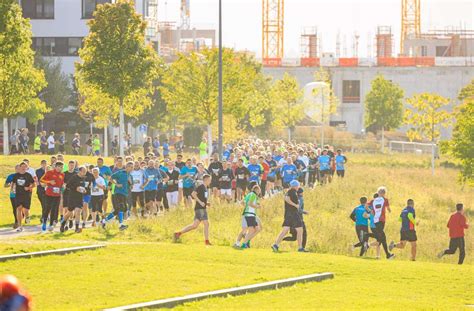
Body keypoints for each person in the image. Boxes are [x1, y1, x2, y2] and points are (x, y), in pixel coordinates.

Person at [173, 174, 212, 245]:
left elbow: (202, 198)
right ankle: (207, 241)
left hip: (201, 208)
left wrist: (206, 203)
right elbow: (193, 194)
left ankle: (178, 233)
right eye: (210, 180)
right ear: (206, 180)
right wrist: (200, 202)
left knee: (194, 225)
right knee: (206, 224)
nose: (210, 181)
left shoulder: (205, 188)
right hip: (200, 209)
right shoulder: (201, 186)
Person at [271, 180, 308, 253]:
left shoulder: (290, 191)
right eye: (298, 186)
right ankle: (300, 248)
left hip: (288, 214)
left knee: (285, 230)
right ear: (295, 186)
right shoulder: (292, 191)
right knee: (300, 230)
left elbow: (286, 198)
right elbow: (286, 199)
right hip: (293, 214)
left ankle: (276, 244)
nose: (298, 187)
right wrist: (295, 205)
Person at [101, 161, 134, 231]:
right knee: (121, 208)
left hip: (125, 194)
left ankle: (104, 221)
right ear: (126, 167)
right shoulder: (120, 172)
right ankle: (121, 225)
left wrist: (130, 183)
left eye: (132, 167)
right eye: (130, 167)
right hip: (118, 193)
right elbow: (110, 178)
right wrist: (116, 184)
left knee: (119, 210)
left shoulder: (130, 175)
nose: (131, 168)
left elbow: (131, 186)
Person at [61, 166, 87, 233]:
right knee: (69, 212)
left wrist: (84, 190)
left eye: (85, 171)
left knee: (77, 211)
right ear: (80, 171)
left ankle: (77, 228)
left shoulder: (84, 178)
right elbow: (68, 186)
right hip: (72, 197)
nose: (85, 173)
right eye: (83, 171)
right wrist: (76, 188)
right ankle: (63, 223)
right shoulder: (74, 177)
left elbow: (83, 187)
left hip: (79, 198)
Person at [40, 162, 64, 232]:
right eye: (60, 167)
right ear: (56, 167)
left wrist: (63, 187)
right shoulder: (49, 172)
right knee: (47, 208)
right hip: (49, 194)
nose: (61, 169)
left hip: (57, 195)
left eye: (62, 167)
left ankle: (50, 224)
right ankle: (44, 222)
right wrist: (49, 182)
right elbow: (41, 180)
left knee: (54, 209)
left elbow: (61, 183)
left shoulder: (62, 174)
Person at [371, 187, 395, 259]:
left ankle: (387, 254)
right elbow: (388, 208)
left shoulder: (374, 200)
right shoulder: (385, 200)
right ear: (384, 193)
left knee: (380, 238)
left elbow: (368, 206)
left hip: (377, 221)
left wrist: (371, 211)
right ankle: (388, 255)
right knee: (383, 238)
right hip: (381, 221)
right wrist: (389, 210)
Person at [11, 162, 36, 232]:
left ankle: (27, 217)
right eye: (22, 166)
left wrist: (28, 188)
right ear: (20, 167)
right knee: (19, 208)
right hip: (18, 194)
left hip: (26, 195)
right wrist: (12, 190)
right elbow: (13, 183)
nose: (24, 168)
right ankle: (20, 226)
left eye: (25, 166)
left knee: (26, 210)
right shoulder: (16, 175)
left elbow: (34, 184)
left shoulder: (28, 175)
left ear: (27, 167)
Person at [238, 184, 262, 249]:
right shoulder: (253, 195)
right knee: (252, 230)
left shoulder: (250, 194)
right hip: (250, 214)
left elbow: (242, 202)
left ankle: (246, 241)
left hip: (250, 214)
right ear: (257, 190)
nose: (259, 192)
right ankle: (244, 243)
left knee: (257, 229)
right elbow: (250, 203)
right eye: (259, 190)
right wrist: (257, 206)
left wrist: (247, 207)